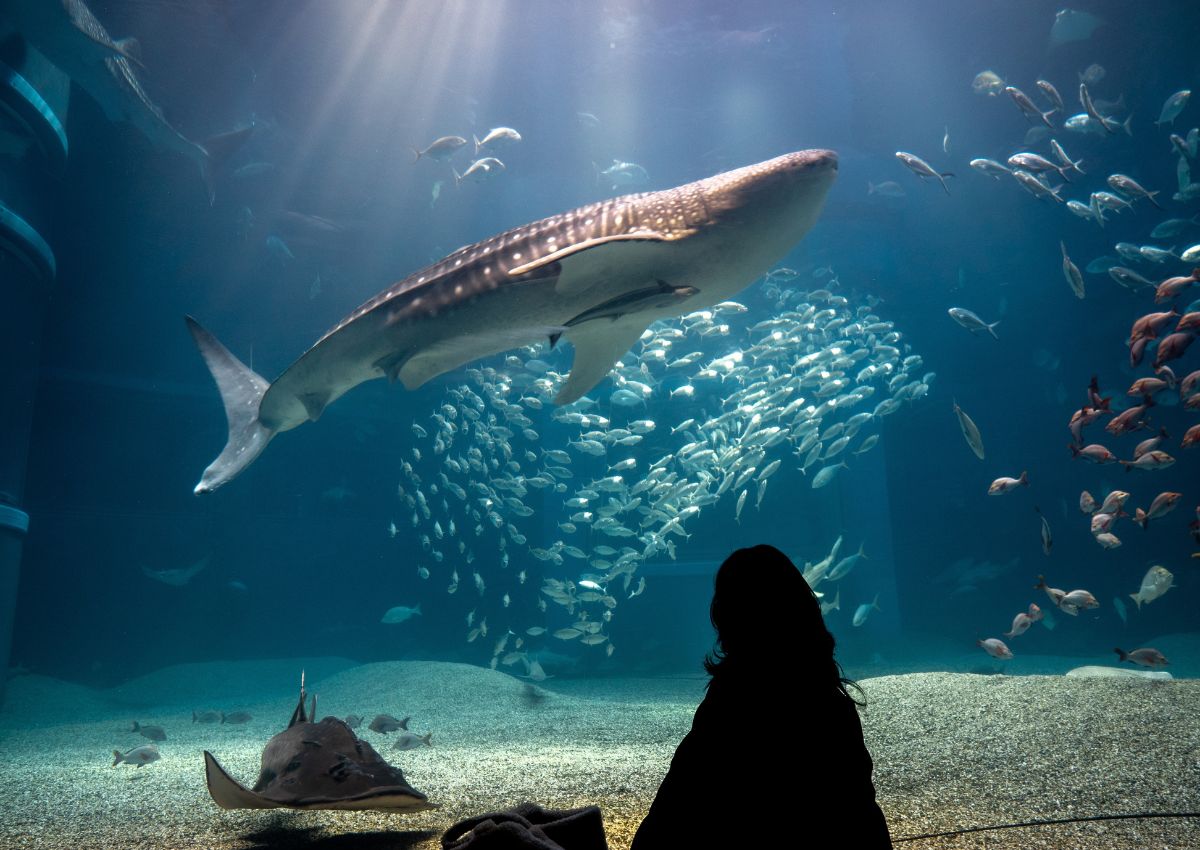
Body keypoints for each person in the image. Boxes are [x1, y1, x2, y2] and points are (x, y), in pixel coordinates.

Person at [631, 544, 892, 849]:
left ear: (725, 618)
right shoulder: (833, 704)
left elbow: (672, 812)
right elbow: (860, 815)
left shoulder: (728, 709)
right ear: (804, 610)